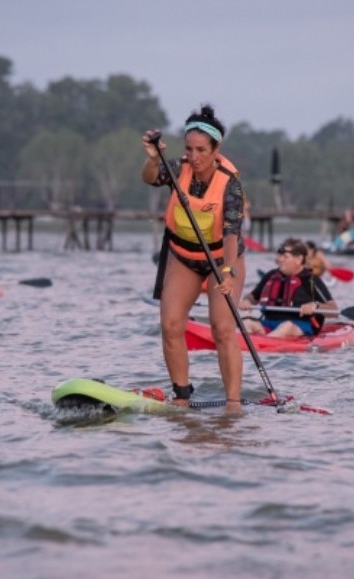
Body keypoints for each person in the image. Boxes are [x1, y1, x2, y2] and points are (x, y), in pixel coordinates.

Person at [142, 104, 246, 412]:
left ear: (216, 149)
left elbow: (231, 233)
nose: (195, 157)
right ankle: (182, 397)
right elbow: (149, 178)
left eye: (201, 150)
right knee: (172, 324)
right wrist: (151, 158)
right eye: (189, 149)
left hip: (221, 259)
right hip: (184, 257)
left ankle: (233, 404)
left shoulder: (231, 185)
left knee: (222, 328)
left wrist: (227, 273)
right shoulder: (177, 168)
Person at [239, 238, 338, 339]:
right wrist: (247, 301)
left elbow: (333, 309)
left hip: (300, 324)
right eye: (280, 255)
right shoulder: (271, 275)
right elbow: (253, 297)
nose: (280, 259)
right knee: (245, 323)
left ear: (299, 259)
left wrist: (316, 306)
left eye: (285, 256)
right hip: (268, 323)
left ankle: (265, 344)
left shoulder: (311, 280)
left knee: (286, 326)